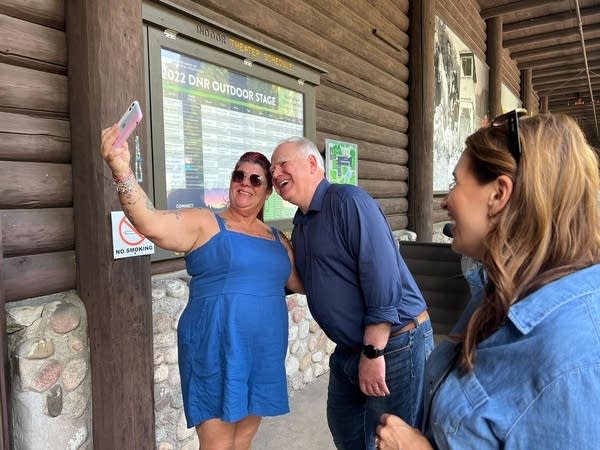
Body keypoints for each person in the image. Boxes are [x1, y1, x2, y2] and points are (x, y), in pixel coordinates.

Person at [375, 112, 600, 449]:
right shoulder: (503, 290)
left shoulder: (570, 359)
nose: (445, 201)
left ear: (498, 194)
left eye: (456, 183)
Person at [100, 125, 303, 450]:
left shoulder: (277, 238)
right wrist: (121, 170)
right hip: (215, 346)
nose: (245, 184)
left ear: (267, 192)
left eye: (255, 179)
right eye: (239, 175)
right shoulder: (205, 222)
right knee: (217, 443)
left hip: (263, 349)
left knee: (243, 439)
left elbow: (302, 282)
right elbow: (149, 222)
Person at [270, 136, 434, 450]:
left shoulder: (347, 201)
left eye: (282, 164)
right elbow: (307, 282)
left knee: (391, 440)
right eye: (272, 168)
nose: (275, 173)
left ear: (312, 164)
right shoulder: (303, 223)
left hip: (394, 343)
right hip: (349, 348)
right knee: (348, 434)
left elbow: (383, 279)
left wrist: (373, 352)